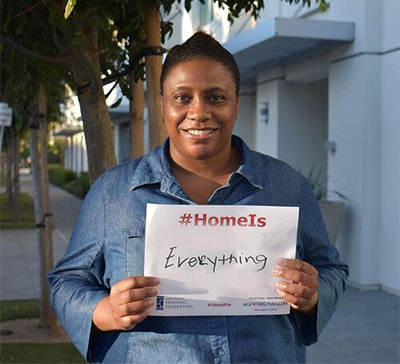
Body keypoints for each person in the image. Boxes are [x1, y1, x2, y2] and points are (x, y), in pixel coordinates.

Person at [48, 31, 348, 363]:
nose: (199, 112)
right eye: (182, 97)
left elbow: (331, 268)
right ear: (162, 105)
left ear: (236, 105)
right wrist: (104, 311)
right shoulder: (114, 192)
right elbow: (67, 281)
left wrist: (313, 294)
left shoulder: (287, 186)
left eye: (216, 97)